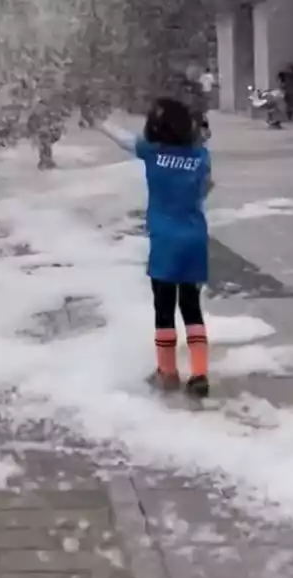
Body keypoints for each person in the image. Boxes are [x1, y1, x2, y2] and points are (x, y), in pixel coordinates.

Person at [90, 98, 215, 397]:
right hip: (195, 239)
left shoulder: (153, 153)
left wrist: (95, 121)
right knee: (191, 307)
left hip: (165, 242)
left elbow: (123, 139)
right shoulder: (200, 156)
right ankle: (199, 375)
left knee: (164, 309)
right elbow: (206, 187)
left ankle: (167, 371)